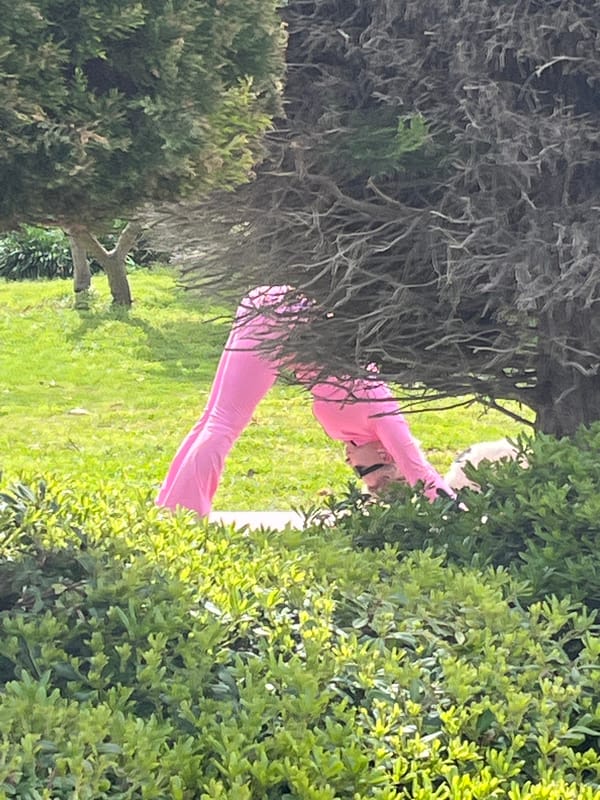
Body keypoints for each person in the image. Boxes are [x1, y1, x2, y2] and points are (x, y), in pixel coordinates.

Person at [156, 285, 456, 516]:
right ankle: (185, 515)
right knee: (222, 422)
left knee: (215, 417)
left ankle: (170, 508)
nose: (349, 462)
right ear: (387, 454)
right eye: (363, 472)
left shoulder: (358, 435)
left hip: (279, 320)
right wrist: (459, 516)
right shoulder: (385, 419)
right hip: (283, 318)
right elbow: (420, 472)